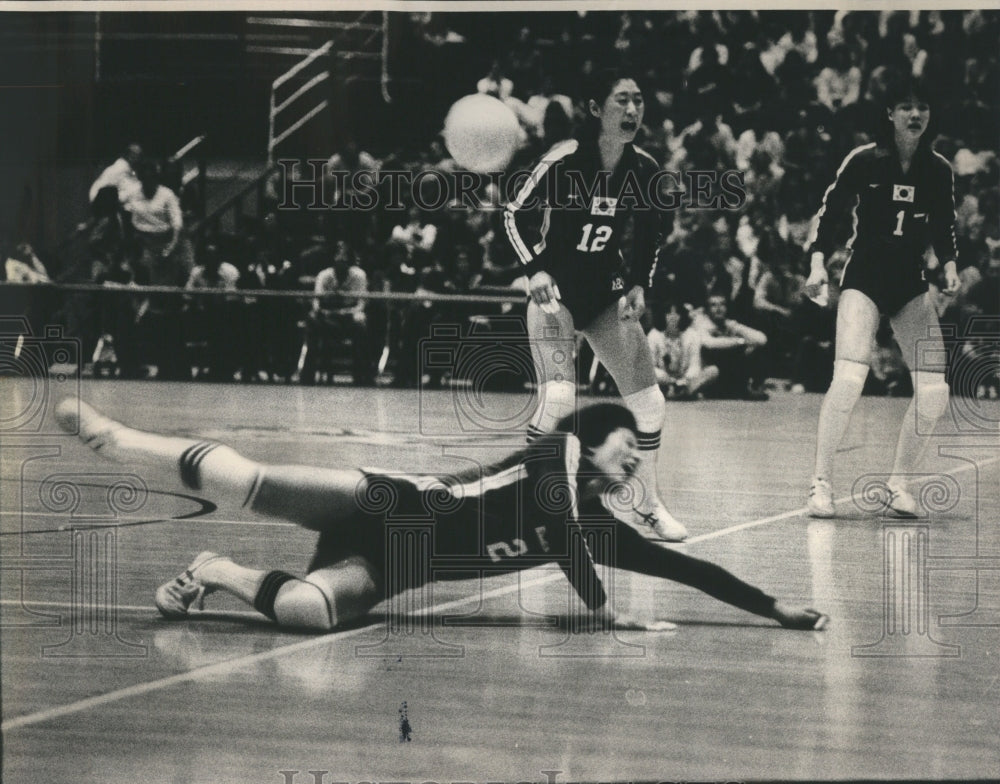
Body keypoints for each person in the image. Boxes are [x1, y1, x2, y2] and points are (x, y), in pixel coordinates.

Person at [54, 397, 829, 634]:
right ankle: (121, 440)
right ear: (589, 442)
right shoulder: (549, 459)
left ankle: (214, 572)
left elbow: (681, 565)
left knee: (309, 614)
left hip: (395, 565)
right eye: (628, 448)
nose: (635, 462)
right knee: (251, 481)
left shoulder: (596, 525)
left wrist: (771, 608)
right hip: (394, 500)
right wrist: (603, 611)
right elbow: (558, 531)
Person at [503, 68, 687, 542]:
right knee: (560, 397)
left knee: (651, 405)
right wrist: (535, 269)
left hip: (605, 296)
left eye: (638, 100)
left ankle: (647, 505)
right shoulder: (564, 159)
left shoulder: (644, 168)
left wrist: (640, 285)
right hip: (555, 295)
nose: (632, 109)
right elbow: (513, 212)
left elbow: (650, 234)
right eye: (621, 99)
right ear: (595, 108)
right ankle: (529, 495)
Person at [803, 76, 961, 518]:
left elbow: (945, 226)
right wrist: (817, 265)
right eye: (905, 106)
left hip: (909, 283)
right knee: (850, 378)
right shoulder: (865, 160)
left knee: (934, 392)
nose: (915, 114)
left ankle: (898, 484)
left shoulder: (938, 169)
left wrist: (949, 264)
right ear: (889, 114)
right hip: (865, 278)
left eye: (922, 107)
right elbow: (829, 212)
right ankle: (820, 483)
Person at [690, 292, 770, 400]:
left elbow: (761, 339)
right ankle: (740, 390)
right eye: (713, 305)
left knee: (754, 349)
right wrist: (740, 341)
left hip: (726, 372)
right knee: (729, 350)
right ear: (707, 310)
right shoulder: (701, 325)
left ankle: (751, 387)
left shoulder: (728, 324)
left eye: (722, 304)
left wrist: (738, 330)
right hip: (710, 374)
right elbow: (709, 343)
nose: (719, 308)